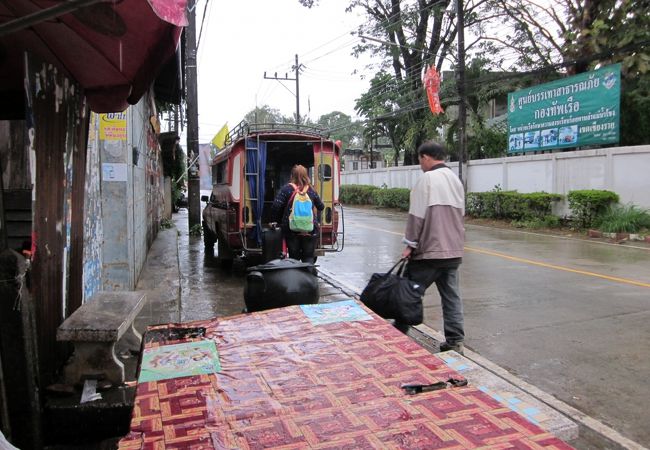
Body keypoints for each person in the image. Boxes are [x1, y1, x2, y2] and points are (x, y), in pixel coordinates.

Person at [401, 141, 466, 354]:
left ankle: (399, 333)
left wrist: (410, 244)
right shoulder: (456, 180)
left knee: (410, 293)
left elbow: (417, 216)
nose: (420, 164)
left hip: (429, 252)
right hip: (453, 251)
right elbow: (461, 216)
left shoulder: (427, 179)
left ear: (425, 157)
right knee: (451, 297)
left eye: (420, 160)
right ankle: (455, 342)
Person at [270, 165, 324, 264]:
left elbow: (276, 206)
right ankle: (309, 277)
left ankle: (295, 277)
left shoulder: (286, 189)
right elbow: (321, 207)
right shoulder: (311, 190)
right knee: (308, 256)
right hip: (310, 229)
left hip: (291, 229)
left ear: (292, 175)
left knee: (293, 257)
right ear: (306, 175)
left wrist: (277, 221)